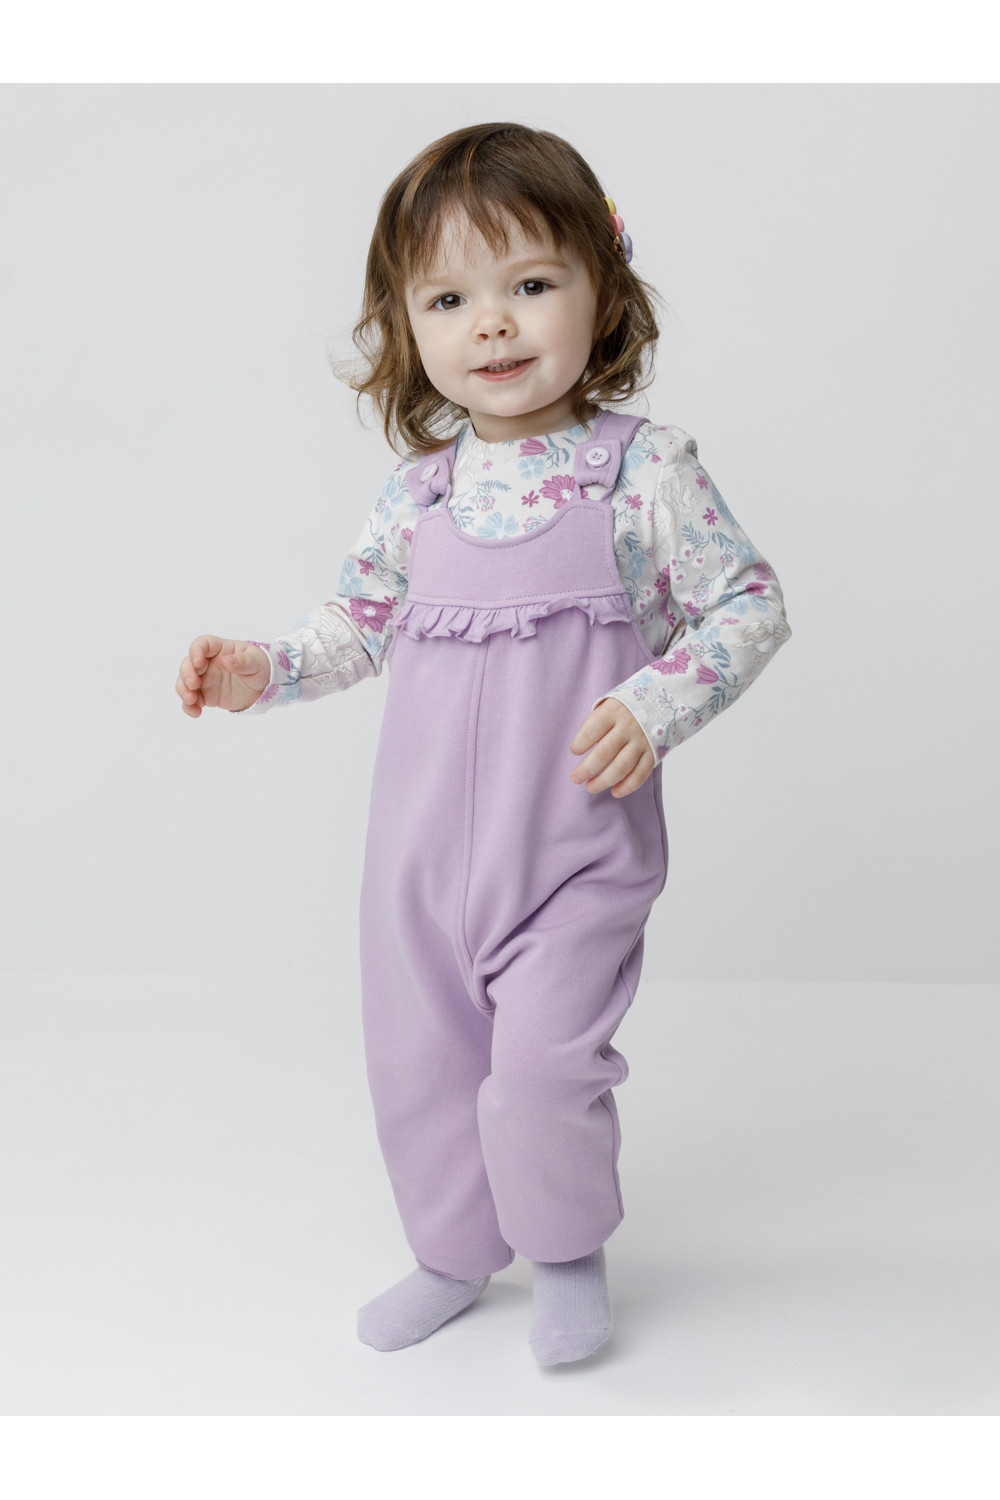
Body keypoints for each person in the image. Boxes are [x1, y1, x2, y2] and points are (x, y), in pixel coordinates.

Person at [174, 122, 792, 1367]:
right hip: (417, 860)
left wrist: (655, 703)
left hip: (570, 852)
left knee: (543, 1070)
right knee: (421, 1061)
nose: (493, 324)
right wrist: (262, 672)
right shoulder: (419, 495)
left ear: (601, 290)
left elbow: (748, 603)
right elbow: (355, 629)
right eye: (449, 299)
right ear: (407, 328)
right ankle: (453, 1254)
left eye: (532, 283)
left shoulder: (640, 472)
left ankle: (563, 1250)